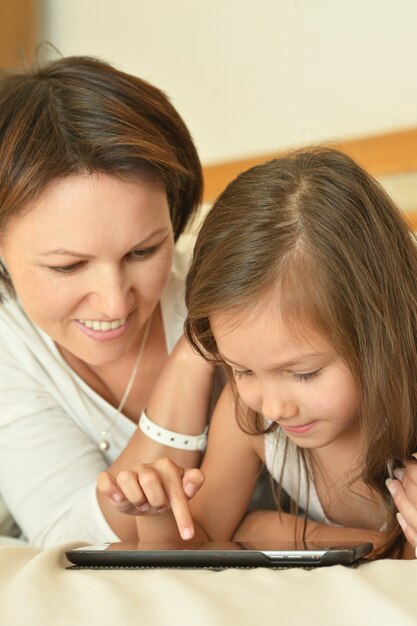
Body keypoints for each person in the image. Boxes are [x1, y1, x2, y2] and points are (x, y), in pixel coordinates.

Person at [98, 147, 417, 559]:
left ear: (381, 327)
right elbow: (204, 538)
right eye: (242, 370)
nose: (274, 407)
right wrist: (158, 514)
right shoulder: (248, 413)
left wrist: (272, 529)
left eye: (305, 373)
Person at [0, 55, 214, 548]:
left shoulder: (223, 278)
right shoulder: (11, 349)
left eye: (144, 251)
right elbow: (66, 540)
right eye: (68, 266)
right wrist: (188, 366)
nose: (116, 304)